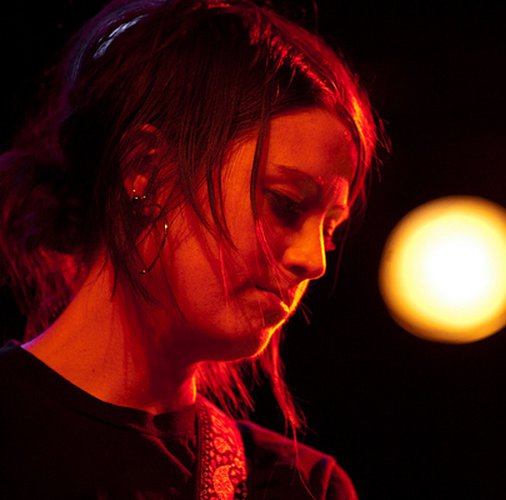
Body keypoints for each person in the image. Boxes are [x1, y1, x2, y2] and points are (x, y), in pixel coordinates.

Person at [0, 0, 384, 498]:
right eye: (286, 204)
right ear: (147, 170)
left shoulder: (301, 485)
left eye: (330, 229)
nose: (314, 261)